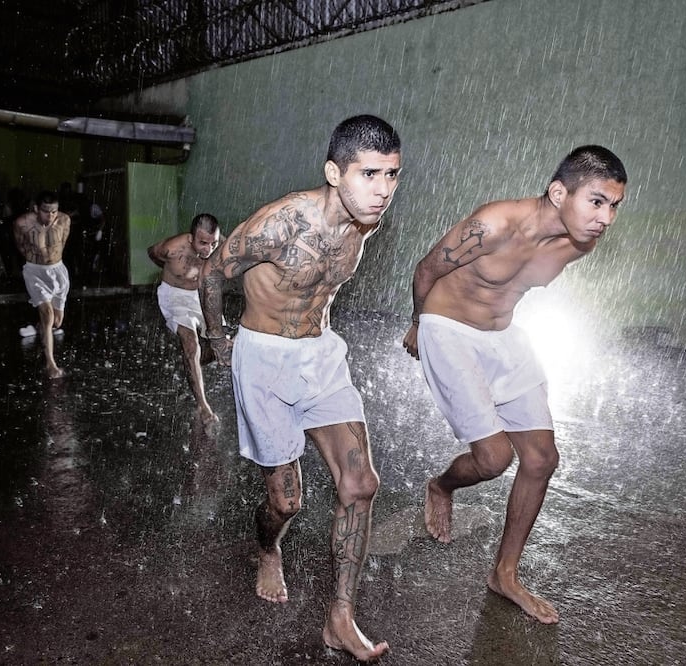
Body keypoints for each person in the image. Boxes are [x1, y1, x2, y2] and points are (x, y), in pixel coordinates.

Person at [199, 114, 401, 662]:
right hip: (263, 359)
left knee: (360, 483)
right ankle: (267, 548)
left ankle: (341, 617)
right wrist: (217, 340)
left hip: (321, 354)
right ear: (334, 172)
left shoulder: (365, 221)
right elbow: (213, 271)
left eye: (391, 175)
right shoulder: (282, 222)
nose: (382, 191)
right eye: (369, 174)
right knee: (286, 502)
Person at [401, 145, 628, 625]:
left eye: (614, 206)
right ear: (558, 191)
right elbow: (426, 269)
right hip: (448, 329)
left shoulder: (582, 240)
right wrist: (418, 323)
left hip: (503, 336)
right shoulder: (495, 223)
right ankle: (441, 486)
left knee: (542, 459)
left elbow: (513, 287)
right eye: (597, 202)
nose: (606, 218)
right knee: (494, 459)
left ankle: (505, 574)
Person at [148, 213, 223, 424]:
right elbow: (152, 254)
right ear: (191, 238)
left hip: (200, 296)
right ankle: (203, 406)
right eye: (202, 243)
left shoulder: (220, 247)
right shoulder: (171, 248)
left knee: (217, 347)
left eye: (213, 243)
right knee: (190, 343)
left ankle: (191, 363)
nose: (208, 249)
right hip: (174, 295)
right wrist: (173, 272)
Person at [13, 190, 71, 379]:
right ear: (36, 209)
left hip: (58, 271)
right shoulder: (22, 223)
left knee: (55, 321)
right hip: (34, 272)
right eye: (46, 211)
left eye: (54, 211)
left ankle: (40, 328)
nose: (51, 216)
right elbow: (20, 245)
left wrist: (51, 260)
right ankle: (50, 363)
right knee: (47, 313)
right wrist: (35, 260)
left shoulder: (64, 220)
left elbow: (62, 243)